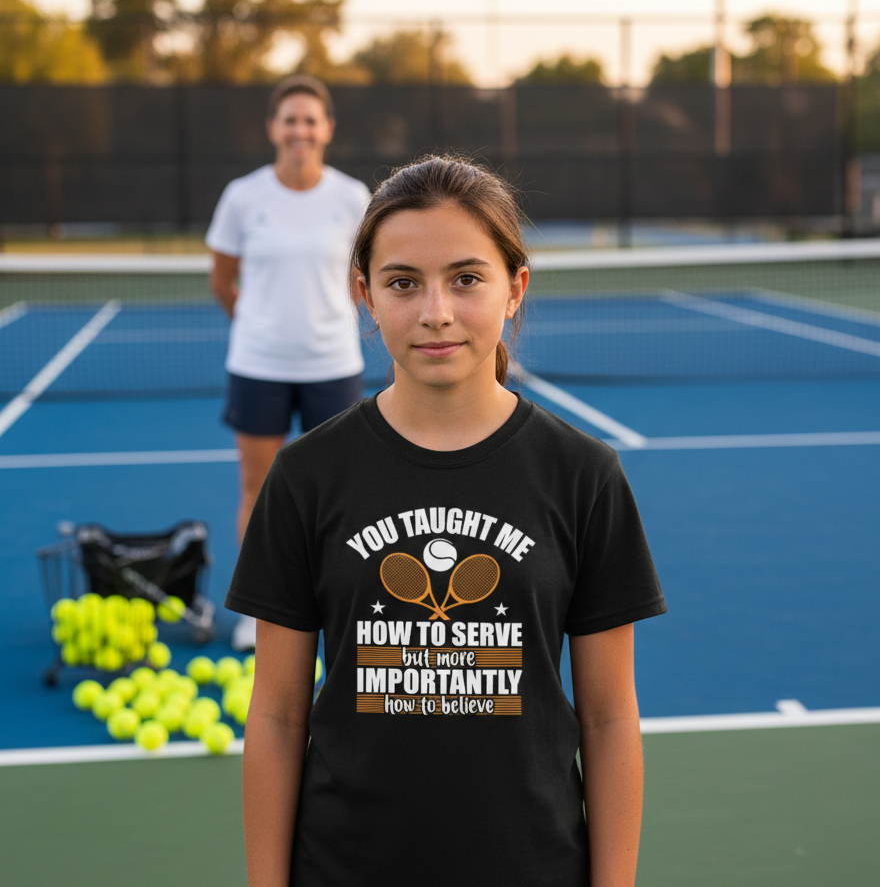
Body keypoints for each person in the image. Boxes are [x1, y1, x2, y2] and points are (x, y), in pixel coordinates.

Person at [226, 156, 666, 887]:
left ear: (515, 289)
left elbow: (610, 718)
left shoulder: (583, 475)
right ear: (364, 295)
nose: (436, 311)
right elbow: (275, 716)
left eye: (466, 279)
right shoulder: (306, 476)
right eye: (403, 283)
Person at [206, 75, 370, 651]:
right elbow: (223, 280)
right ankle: (258, 612)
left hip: (333, 366)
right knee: (259, 489)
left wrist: (330, 322)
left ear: (327, 129)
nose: (300, 130)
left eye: (310, 120)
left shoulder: (352, 197)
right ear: (273, 128)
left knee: (337, 493)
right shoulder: (243, 196)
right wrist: (257, 327)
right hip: (258, 366)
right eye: (290, 120)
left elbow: (365, 276)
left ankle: (336, 605)